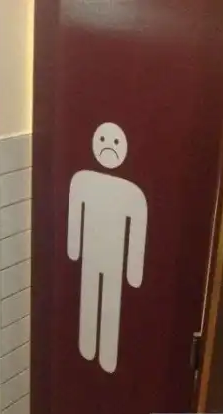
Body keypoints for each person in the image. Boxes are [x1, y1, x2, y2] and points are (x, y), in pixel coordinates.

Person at [68, 122, 148, 373]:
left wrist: (134, 271)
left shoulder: (132, 193)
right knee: (89, 298)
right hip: (91, 256)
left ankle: (107, 357)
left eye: (115, 142)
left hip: (114, 262)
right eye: (103, 140)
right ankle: (86, 347)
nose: (109, 147)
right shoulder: (82, 180)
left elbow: (138, 228)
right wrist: (74, 248)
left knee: (111, 304)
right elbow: (75, 215)